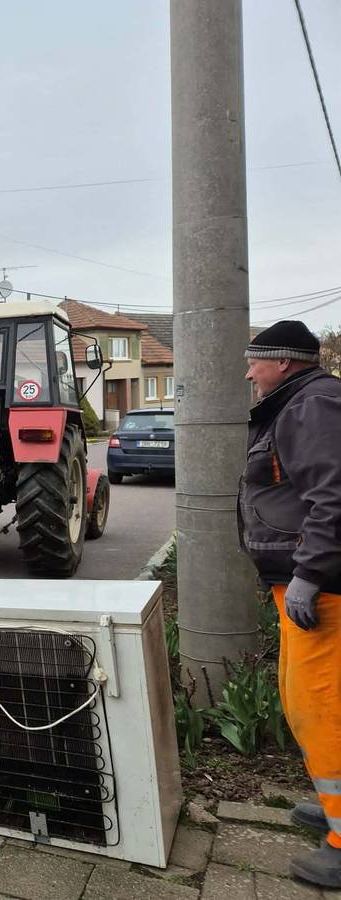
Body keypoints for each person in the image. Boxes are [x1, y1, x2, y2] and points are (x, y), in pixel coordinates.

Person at [240, 320, 341, 889]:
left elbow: (334, 495)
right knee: (303, 697)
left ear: (283, 363)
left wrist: (312, 572)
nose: (250, 371)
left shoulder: (312, 406)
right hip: (303, 583)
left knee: (321, 703)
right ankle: (332, 809)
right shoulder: (301, 402)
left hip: (322, 588)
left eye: (256, 361)